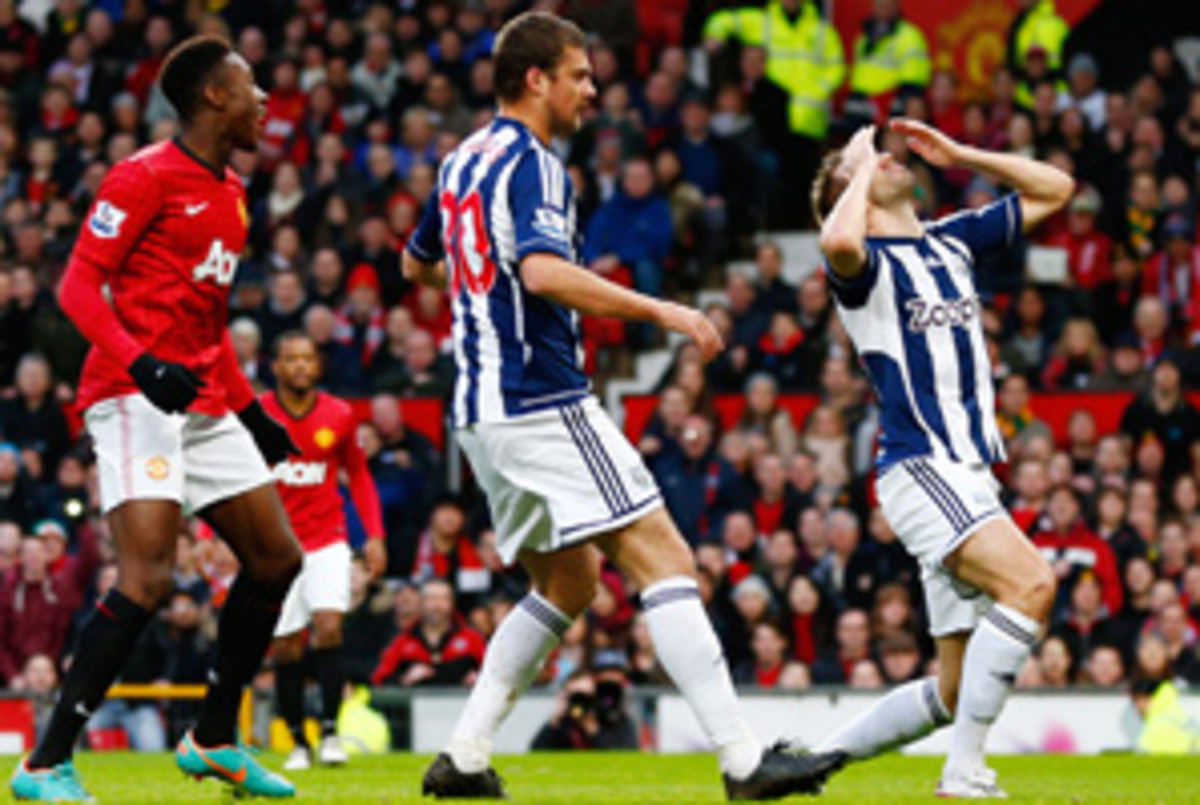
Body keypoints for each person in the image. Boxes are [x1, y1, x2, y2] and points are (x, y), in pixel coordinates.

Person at [402, 12, 841, 801]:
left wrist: (482, 293)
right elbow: (541, 273)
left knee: (568, 583)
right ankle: (744, 762)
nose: (592, 90)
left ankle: (464, 755)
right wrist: (667, 311)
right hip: (540, 399)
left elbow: (418, 263)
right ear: (537, 79)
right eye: (579, 75)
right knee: (665, 557)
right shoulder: (534, 164)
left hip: (478, 411)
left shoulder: (460, 161)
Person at [11, 36, 303, 802]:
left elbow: (209, 323)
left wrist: (253, 411)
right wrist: (141, 363)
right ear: (214, 96)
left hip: (202, 400)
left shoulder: (235, 194)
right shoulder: (141, 176)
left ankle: (213, 737)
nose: (265, 99)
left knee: (277, 560)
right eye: (251, 84)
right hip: (131, 393)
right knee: (145, 578)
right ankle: (45, 761)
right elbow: (76, 288)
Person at [811, 118, 1072, 797]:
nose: (886, 157)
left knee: (954, 690)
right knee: (1034, 585)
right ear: (854, 191)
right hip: (923, 464)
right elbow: (837, 236)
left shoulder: (948, 240)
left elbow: (1057, 188)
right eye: (862, 163)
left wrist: (961, 155)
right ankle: (964, 770)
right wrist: (858, 164)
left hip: (968, 474)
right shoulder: (862, 264)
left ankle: (813, 759)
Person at [259, 331, 387, 772]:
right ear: (275, 366)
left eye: (307, 359)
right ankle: (299, 741)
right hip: (276, 545)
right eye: (290, 358)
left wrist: (374, 535)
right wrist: (209, 536)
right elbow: (233, 476)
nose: (299, 366)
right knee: (287, 648)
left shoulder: (339, 414)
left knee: (329, 626)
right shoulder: (258, 415)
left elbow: (360, 477)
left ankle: (331, 733)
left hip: (328, 538)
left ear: (317, 366)